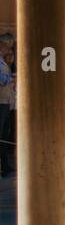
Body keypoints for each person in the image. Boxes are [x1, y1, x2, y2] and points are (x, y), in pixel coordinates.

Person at [0, 32, 16, 178]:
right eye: (8, 47)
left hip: (6, 101)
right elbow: (2, 80)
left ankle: (5, 164)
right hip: (1, 101)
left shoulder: (3, 61)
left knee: (5, 133)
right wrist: (12, 78)